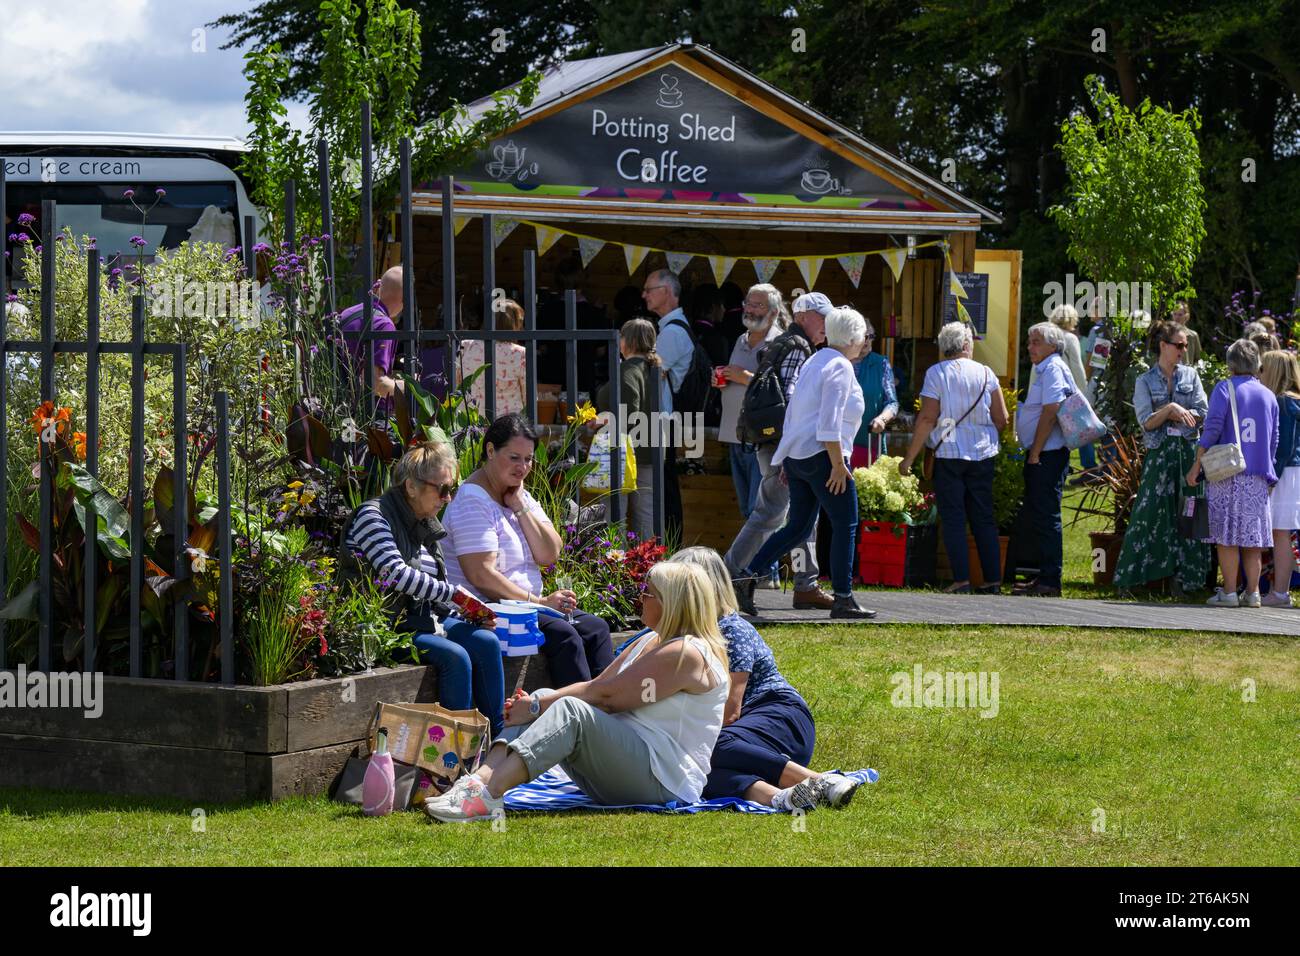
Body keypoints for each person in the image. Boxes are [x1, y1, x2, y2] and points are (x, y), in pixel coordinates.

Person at [422, 562, 729, 822]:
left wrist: (535, 707)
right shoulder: (649, 639)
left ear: (671, 602)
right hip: (632, 766)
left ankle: (487, 796)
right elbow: (596, 686)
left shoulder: (686, 652)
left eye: (648, 593)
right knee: (542, 696)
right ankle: (477, 782)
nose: (641, 597)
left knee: (566, 709)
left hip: (665, 781)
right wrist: (536, 702)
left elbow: (608, 698)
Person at [671, 547, 861, 810]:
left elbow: (729, 713)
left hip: (780, 716)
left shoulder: (731, 630)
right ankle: (784, 797)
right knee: (690, 772)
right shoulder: (686, 634)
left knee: (708, 746)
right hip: (748, 740)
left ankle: (820, 780)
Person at [336, 441, 505, 736]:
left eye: (451, 489)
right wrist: (454, 595)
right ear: (411, 487)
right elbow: (395, 574)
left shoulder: (423, 523)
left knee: (487, 641)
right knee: (456, 656)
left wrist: (466, 612)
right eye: (441, 489)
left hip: (421, 621)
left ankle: (500, 740)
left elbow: (432, 592)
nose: (448, 498)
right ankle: (453, 756)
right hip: (384, 627)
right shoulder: (372, 516)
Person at [442, 414, 615, 682]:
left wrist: (520, 507)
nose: (522, 467)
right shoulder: (472, 500)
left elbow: (549, 554)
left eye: (528, 459)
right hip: (491, 610)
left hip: (525, 607)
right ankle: (577, 713)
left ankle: (607, 706)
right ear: (490, 450)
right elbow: (481, 576)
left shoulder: (517, 494)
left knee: (596, 628)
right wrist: (540, 603)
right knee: (564, 635)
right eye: (514, 457)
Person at [735, 306, 876, 620]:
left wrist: (786, 457)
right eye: (863, 336)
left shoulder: (816, 359)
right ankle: (843, 598)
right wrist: (839, 465)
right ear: (854, 337)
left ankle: (746, 577)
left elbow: (796, 411)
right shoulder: (840, 367)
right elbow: (829, 421)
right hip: (825, 456)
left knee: (797, 526)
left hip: (800, 456)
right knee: (845, 525)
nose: (865, 340)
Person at [723, 291, 829, 613]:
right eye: (824, 319)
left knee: (800, 516)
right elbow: (793, 399)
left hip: (776, 443)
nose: (827, 326)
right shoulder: (797, 346)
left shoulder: (785, 342)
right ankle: (729, 575)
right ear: (805, 316)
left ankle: (805, 584)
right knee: (771, 514)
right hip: (784, 445)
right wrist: (788, 451)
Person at [899, 321, 1007, 593]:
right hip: (983, 452)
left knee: (954, 518)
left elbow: (927, 418)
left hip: (948, 453)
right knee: (983, 517)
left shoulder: (937, 373)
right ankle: (993, 580)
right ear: (967, 345)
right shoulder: (986, 373)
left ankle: (961, 580)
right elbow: (1002, 418)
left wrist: (909, 458)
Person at [1111, 320, 1211, 592]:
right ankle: (1133, 578)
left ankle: (1189, 580)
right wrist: (1169, 410)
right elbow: (1145, 420)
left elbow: (1204, 411)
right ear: (1163, 346)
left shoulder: (1191, 376)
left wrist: (1186, 414)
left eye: (1186, 345)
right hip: (1160, 453)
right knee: (1150, 511)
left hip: (1188, 453)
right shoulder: (1145, 380)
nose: (1183, 350)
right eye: (1178, 345)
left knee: (1191, 513)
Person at [1187, 339, 1279, 607]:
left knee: (1226, 537)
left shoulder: (1223, 388)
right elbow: (1274, 439)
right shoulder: (1269, 395)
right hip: (1258, 475)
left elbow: (1213, 428)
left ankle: (1228, 592)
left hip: (1227, 472)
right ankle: (1253, 593)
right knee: (1252, 539)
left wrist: (1197, 464)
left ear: (1231, 364)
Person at [717, 284, 787, 587]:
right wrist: (721, 379)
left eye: (758, 306)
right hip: (735, 435)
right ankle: (754, 572)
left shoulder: (779, 344)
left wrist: (742, 377)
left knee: (763, 511)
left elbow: (779, 390)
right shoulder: (740, 340)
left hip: (762, 440)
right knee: (748, 509)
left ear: (773, 312)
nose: (750, 309)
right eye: (749, 303)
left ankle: (764, 573)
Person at [1007, 321, 1075, 597]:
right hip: (1044, 452)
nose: (1029, 347)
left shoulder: (1053, 368)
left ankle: (1050, 580)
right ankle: (1043, 577)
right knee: (1040, 515)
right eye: (1029, 341)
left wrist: (1035, 450)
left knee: (1047, 516)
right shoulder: (1045, 367)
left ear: (1052, 345)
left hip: (1047, 454)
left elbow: (1051, 409)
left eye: (1035, 341)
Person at [594, 318, 667, 543]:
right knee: (647, 516)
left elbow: (626, 414)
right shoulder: (654, 369)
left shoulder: (627, 370)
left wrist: (600, 421)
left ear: (627, 341)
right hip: (650, 449)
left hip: (624, 452)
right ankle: (650, 568)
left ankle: (615, 566)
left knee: (614, 515)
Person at [641, 268, 688, 542]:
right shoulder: (669, 329)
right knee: (664, 485)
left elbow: (649, 375)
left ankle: (668, 545)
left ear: (667, 292)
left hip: (663, 420)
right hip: (665, 419)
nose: (644, 294)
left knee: (663, 487)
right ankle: (668, 544)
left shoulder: (671, 334)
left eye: (649, 289)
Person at [1260, 350, 1300, 606]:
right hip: (1293, 472)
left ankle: (1280, 593)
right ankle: (1279, 590)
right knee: (1282, 532)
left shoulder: (1284, 403)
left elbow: (1283, 447)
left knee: (1280, 533)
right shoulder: (1293, 400)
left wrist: (1271, 478)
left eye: (1264, 368)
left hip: (1286, 474)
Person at [338, 264, 406, 403]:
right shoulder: (384, 324)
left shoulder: (348, 313)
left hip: (337, 407)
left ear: (378, 287)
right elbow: (375, 384)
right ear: (404, 300)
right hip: (366, 416)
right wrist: (410, 386)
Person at [456, 298, 527, 418]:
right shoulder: (519, 353)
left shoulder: (466, 345)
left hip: (470, 420)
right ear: (514, 324)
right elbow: (528, 395)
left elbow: (457, 382)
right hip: (507, 423)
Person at [850, 315, 899, 468]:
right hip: (838, 443)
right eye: (864, 336)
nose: (868, 341)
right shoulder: (839, 362)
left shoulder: (881, 363)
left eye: (871, 336)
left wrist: (882, 419)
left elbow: (892, 402)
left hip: (869, 442)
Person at [689, 283, 730, 367]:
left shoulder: (686, 331)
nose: (724, 309)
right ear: (713, 307)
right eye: (722, 305)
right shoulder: (717, 339)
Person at [1171, 298, 1201, 366]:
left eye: (1180, 314)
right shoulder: (1167, 334)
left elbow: (1198, 359)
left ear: (1186, 316)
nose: (1177, 317)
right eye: (1175, 314)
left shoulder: (1193, 335)